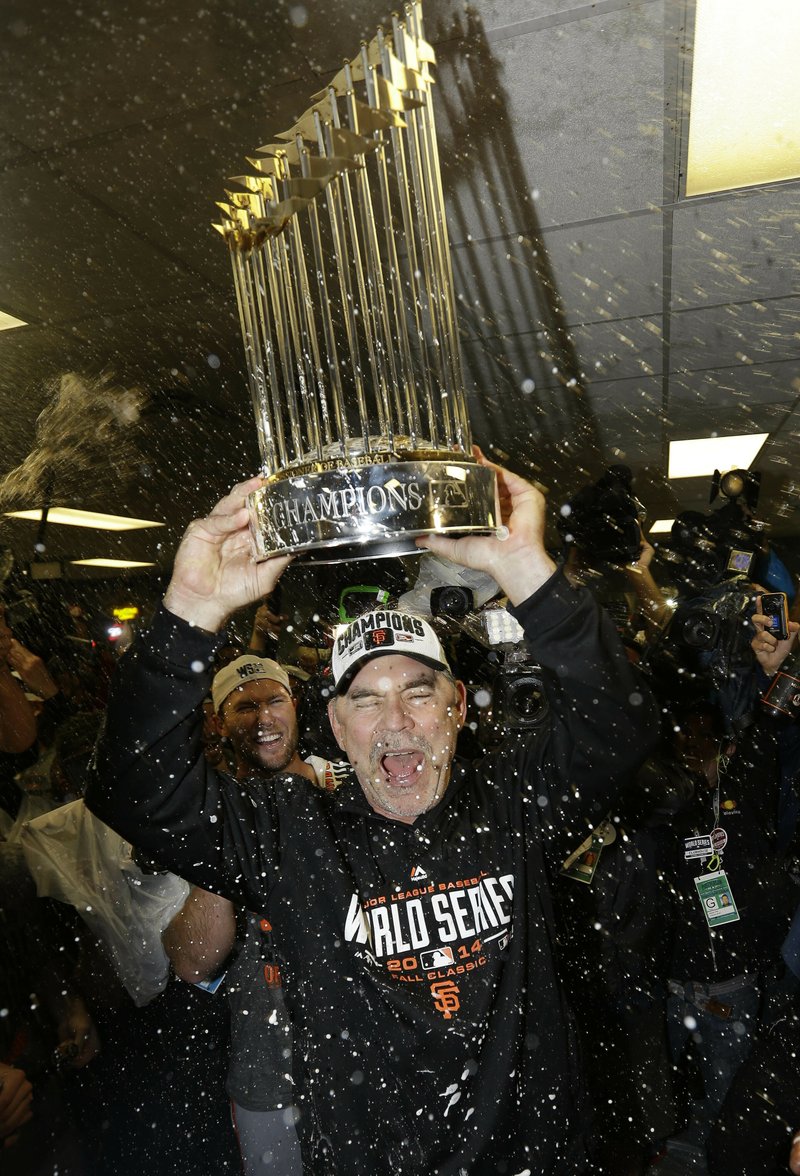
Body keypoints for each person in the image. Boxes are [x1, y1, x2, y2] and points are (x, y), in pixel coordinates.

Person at [86, 452, 658, 1175]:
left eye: (419, 693)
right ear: (335, 722)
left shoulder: (511, 801)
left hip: (536, 1156)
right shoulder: (293, 833)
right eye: (365, 698)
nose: (396, 722)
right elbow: (130, 786)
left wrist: (527, 570)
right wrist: (191, 614)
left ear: (455, 709)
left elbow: (621, 724)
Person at [164, 653, 345, 1176]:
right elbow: (192, 962)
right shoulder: (205, 812)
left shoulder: (352, 782)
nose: (263, 718)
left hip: (367, 1062)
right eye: (244, 707)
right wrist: (222, 843)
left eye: (273, 701)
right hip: (269, 1076)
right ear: (218, 721)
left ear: (295, 705)